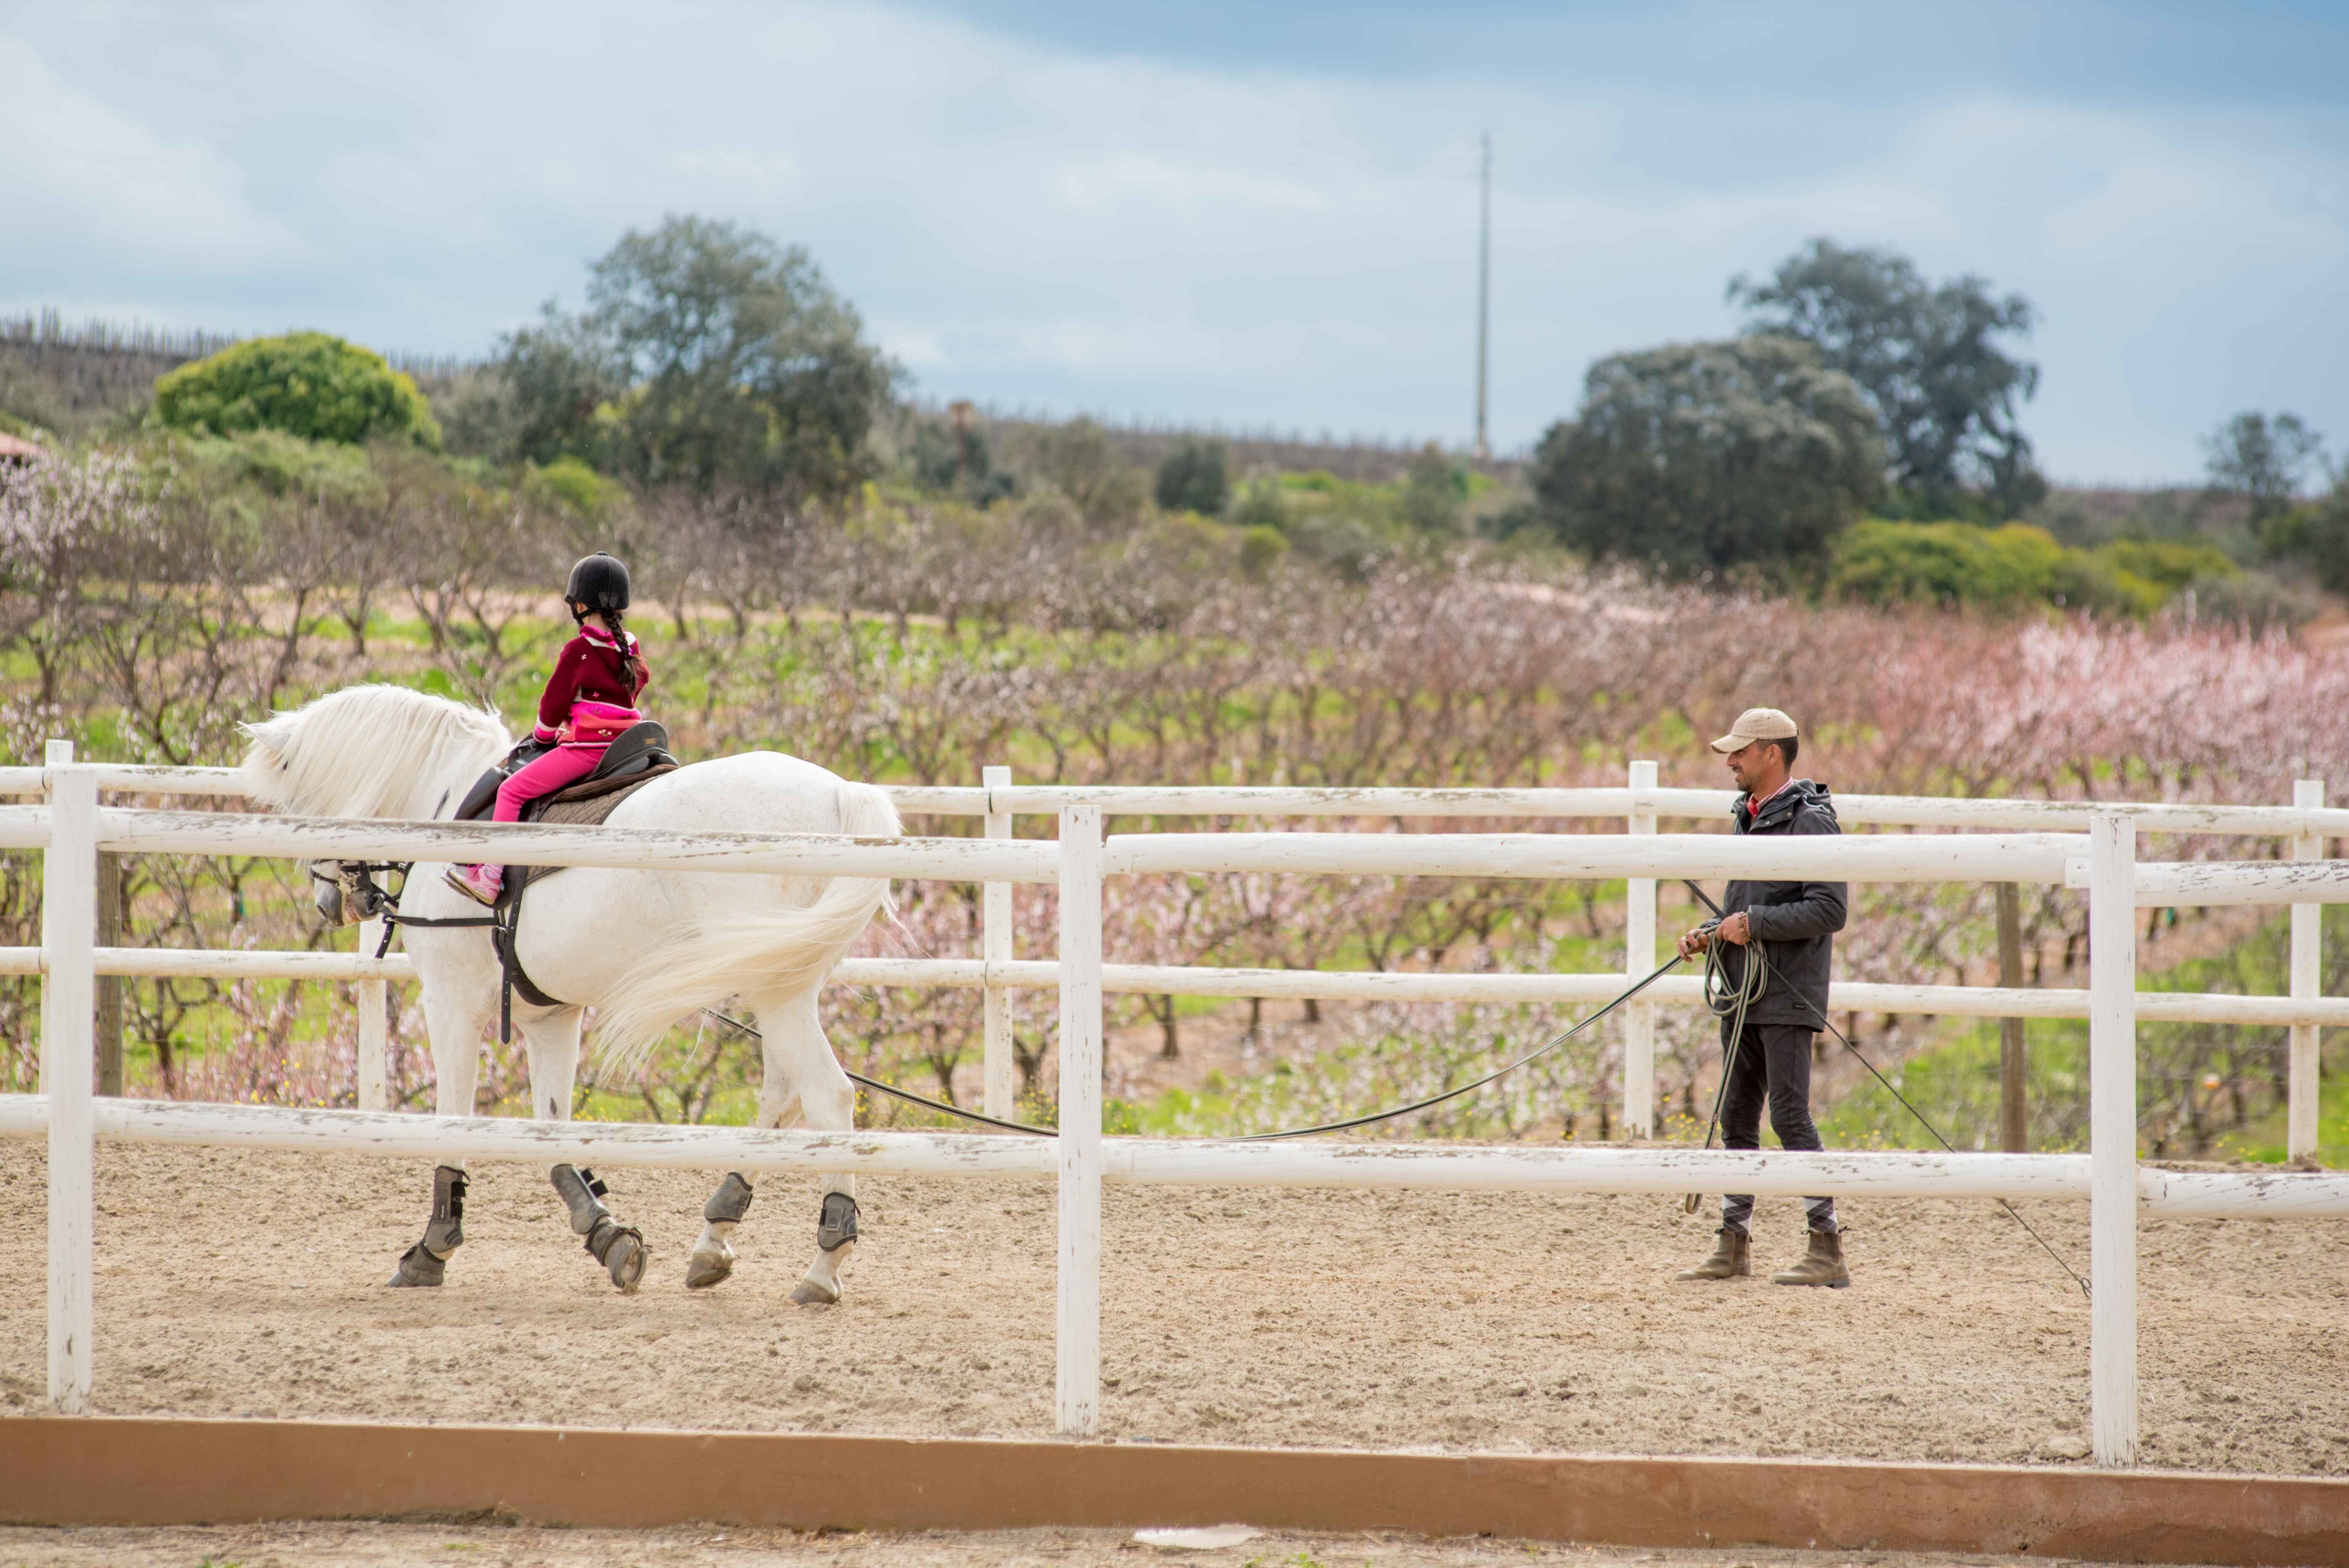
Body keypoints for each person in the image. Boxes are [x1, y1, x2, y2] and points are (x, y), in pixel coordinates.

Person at [1673, 707, 1850, 1288]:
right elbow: (1743, 904)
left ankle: (1826, 1246)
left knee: (1789, 1114)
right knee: (1736, 1114)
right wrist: (1711, 930)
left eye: (1740, 752)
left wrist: (1754, 923)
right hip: (1745, 986)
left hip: (1787, 987)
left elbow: (1829, 909)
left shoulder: (1810, 822)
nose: (1730, 761)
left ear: (1770, 752)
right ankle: (1733, 1240)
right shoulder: (1748, 818)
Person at [446, 552, 652, 906]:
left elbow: (552, 707)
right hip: (625, 745)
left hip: (587, 750)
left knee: (511, 791)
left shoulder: (579, 651)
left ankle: (490, 878)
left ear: (581, 604)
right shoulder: (631, 651)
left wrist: (542, 738)